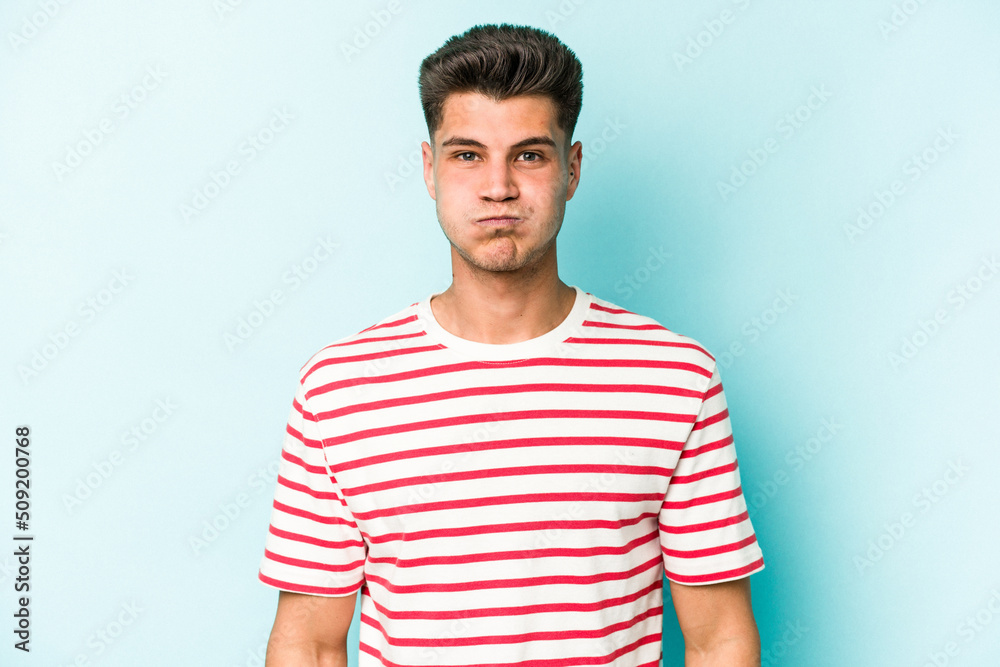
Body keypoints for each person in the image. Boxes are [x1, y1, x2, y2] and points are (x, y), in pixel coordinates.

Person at [259, 22, 765, 666]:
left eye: (529, 154)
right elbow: (309, 643)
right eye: (467, 154)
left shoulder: (675, 378)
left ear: (572, 168)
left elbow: (720, 636)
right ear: (429, 168)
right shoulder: (338, 388)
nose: (498, 186)